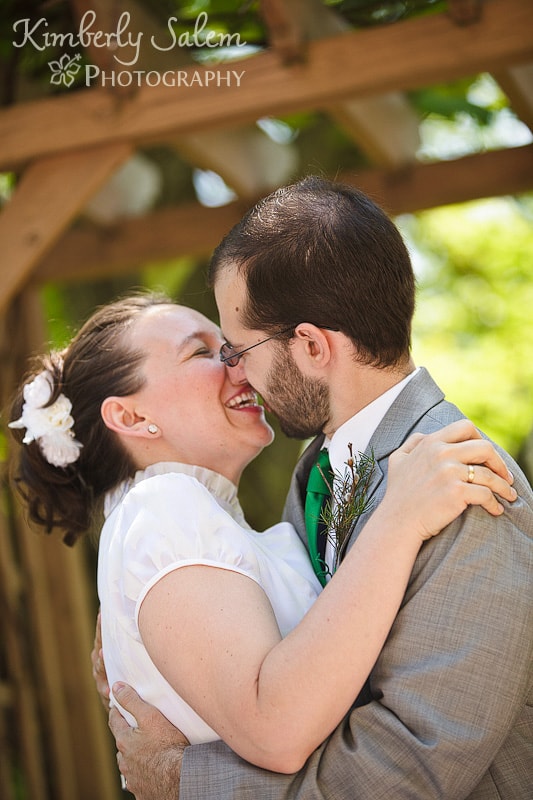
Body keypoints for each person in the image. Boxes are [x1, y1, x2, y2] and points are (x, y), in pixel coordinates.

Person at [97, 178, 533, 800]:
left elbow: (411, 769)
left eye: (239, 348)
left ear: (311, 346)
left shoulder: (467, 491)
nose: (235, 371)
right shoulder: (317, 473)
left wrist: (185, 781)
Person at [8, 295, 514, 778]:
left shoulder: (211, 526)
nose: (236, 359)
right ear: (132, 416)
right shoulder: (161, 508)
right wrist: (401, 517)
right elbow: (275, 727)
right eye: (202, 351)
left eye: (228, 344)